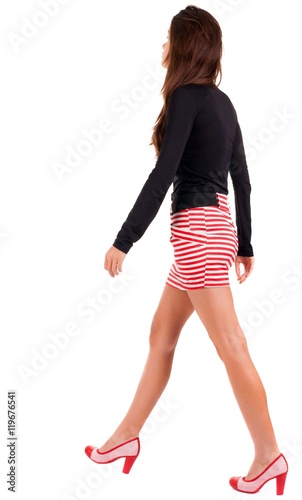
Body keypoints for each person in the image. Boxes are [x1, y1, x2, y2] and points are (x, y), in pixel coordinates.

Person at [85, 5, 288, 495]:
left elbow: (163, 174)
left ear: (183, 48)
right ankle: (126, 437)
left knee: (230, 344)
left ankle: (269, 455)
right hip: (214, 228)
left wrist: (124, 239)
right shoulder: (224, 104)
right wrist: (245, 242)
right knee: (162, 335)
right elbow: (241, 178)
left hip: (196, 230)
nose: (162, 48)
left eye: (168, 41)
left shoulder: (183, 99)